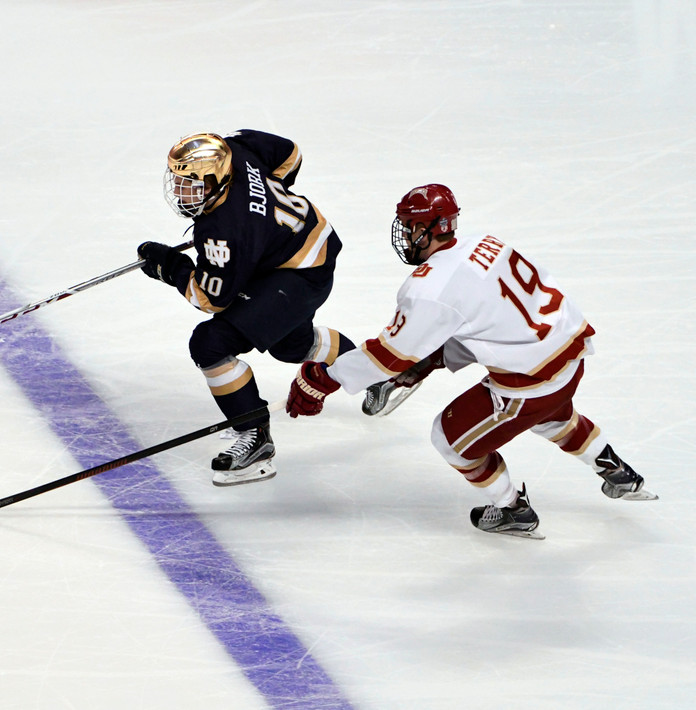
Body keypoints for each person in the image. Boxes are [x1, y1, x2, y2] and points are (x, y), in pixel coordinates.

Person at [285, 184, 656, 538]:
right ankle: (617, 470)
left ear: (424, 229)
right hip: (568, 355)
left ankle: (513, 511)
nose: (404, 235)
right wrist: (434, 359)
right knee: (550, 415)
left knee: (449, 439)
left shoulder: (429, 288)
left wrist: (326, 378)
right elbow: (489, 318)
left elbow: (388, 355)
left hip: (532, 381)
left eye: (410, 226)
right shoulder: (484, 243)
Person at [137, 130, 367, 486]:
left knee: (210, 344)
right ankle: (381, 370)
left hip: (299, 274)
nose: (180, 192)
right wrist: (266, 213)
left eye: (190, 184)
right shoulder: (237, 149)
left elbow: (211, 298)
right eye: (178, 181)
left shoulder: (225, 229)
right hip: (302, 246)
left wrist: (169, 267)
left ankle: (254, 434)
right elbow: (289, 154)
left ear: (216, 178)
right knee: (290, 345)